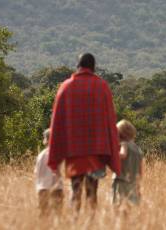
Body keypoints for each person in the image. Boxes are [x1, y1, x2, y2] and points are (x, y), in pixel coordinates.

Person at [48, 53, 120, 211]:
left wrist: (56, 155)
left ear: (78, 66)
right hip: (97, 153)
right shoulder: (102, 86)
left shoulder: (66, 87)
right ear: (93, 67)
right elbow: (110, 121)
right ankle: (91, 224)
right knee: (92, 192)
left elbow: (57, 122)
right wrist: (113, 152)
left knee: (75, 191)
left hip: (75, 153)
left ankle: (76, 223)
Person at [112, 120, 143, 205]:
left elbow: (123, 155)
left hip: (122, 181)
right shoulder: (138, 149)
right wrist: (138, 186)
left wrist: (112, 155)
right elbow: (140, 171)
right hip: (133, 183)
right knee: (131, 207)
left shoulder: (124, 144)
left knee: (119, 207)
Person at [34, 128, 63, 215]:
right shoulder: (59, 154)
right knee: (57, 215)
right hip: (56, 188)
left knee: (44, 214)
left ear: (45, 140)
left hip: (42, 188)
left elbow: (36, 172)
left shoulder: (41, 155)